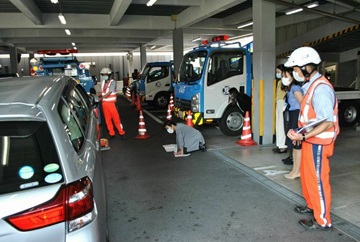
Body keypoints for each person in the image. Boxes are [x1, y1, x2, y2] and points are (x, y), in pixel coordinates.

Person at [285, 47, 339, 230]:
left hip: (319, 143)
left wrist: (304, 135)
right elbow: (311, 117)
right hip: (310, 140)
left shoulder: (321, 89)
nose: (293, 73)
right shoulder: (311, 87)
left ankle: (323, 220)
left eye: (295, 69)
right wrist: (298, 133)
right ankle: (312, 206)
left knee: (317, 180)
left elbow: (328, 122)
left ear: (307, 67)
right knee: (307, 177)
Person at [281, 67, 303, 178]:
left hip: (297, 115)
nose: (284, 78)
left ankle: (297, 170)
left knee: (297, 145)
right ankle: (295, 170)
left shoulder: (295, 88)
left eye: (286, 76)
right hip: (293, 114)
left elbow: (302, 104)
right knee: (294, 145)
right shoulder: (290, 88)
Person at [98, 67, 126, 139]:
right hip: (104, 104)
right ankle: (111, 133)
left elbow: (109, 93)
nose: (104, 76)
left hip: (111, 104)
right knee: (107, 120)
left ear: (109, 75)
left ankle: (121, 133)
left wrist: (100, 98)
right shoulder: (103, 83)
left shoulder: (112, 82)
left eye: (105, 74)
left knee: (116, 119)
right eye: (103, 74)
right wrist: (96, 95)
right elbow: (102, 92)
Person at [273, 64, 288, 154]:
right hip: (278, 103)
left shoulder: (286, 82)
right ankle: (279, 144)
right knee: (278, 125)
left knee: (282, 125)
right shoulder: (279, 82)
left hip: (283, 103)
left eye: (278, 72)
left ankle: (283, 146)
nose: (277, 74)